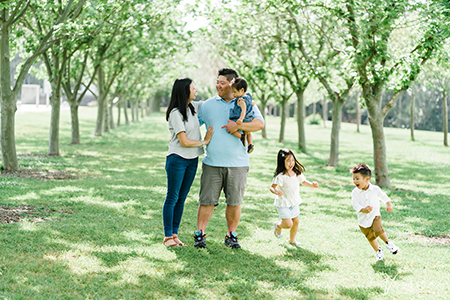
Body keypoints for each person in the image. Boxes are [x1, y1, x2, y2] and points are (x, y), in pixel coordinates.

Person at [193, 68, 264, 249]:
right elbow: (192, 124)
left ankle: (231, 235)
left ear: (232, 84)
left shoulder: (246, 103)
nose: (218, 85)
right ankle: (200, 234)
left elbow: (259, 124)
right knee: (207, 201)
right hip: (212, 163)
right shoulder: (207, 105)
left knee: (234, 202)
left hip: (238, 164)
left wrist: (237, 125)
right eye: (217, 82)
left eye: (222, 83)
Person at [163, 77, 214, 247]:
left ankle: (175, 235)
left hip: (192, 160)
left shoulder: (193, 107)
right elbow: (184, 141)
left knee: (182, 198)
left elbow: (211, 103)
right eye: (193, 88)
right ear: (185, 91)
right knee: (173, 197)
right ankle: (167, 236)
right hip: (177, 159)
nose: (196, 90)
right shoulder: (176, 113)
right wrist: (204, 142)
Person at [269, 148, 319, 246]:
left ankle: (292, 240)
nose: (291, 163)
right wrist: (276, 191)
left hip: (294, 202)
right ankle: (278, 225)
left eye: (292, 160)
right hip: (283, 203)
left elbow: (303, 181)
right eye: (288, 160)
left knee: (296, 222)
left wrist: (312, 185)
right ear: (281, 162)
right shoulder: (280, 176)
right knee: (288, 224)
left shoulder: (296, 173)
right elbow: (272, 187)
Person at [350, 163, 399, 261]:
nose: (355, 181)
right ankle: (378, 251)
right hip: (363, 220)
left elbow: (383, 196)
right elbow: (355, 204)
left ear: (367, 179)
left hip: (374, 215)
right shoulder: (355, 192)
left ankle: (388, 243)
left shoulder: (375, 189)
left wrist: (388, 204)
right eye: (354, 178)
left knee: (378, 229)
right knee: (370, 237)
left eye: (357, 178)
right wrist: (363, 210)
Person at [229, 77, 255, 153]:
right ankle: (250, 145)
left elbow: (243, 110)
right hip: (249, 118)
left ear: (242, 90)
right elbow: (252, 103)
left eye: (234, 92)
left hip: (243, 118)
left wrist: (240, 119)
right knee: (248, 132)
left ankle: (241, 137)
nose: (233, 94)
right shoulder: (249, 97)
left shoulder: (241, 100)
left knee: (231, 129)